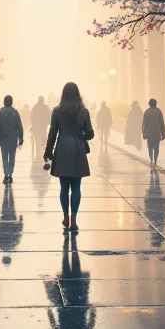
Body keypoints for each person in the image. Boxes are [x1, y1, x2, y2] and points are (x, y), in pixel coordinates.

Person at [43, 81, 95, 233]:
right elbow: (90, 134)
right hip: (78, 150)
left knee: (64, 188)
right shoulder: (83, 111)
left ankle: (65, 215)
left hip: (62, 150)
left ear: (63, 94)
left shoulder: (57, 111)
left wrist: (48, 153)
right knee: (77, 187)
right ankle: (74, 218)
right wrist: (84, 134)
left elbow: (52, 133)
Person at [0, 94, 24, 183]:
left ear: (4, 102)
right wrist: (21, 139)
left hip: (3, 139)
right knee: (12, 157)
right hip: (13, 139)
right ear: (11, 102)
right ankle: (10, 175)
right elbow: (20, 127)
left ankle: (6, 175)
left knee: (4, 157)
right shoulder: (15, 112)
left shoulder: (0, 112)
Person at [142, 98, 165, 166]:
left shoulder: (147, 112)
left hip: (149, 133)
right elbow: (162, 124)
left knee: (150, 147)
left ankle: (151, 159)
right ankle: (155, 160)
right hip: (157, 133)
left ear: (149, 104)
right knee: (156, 148)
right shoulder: (158, 111)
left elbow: (144, 124)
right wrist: (164, 134)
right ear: (155, 104)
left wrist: (144, 133)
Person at [30, 96, 51, 160]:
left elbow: (32, 117)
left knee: (37, 138)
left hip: (37, 125)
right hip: (44, 124)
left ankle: (38, 150)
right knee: (44, 136)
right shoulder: (46, 107)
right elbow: (49, 115)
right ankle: (43, 147)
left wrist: (32, 125)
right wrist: (50, 122)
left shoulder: (35, 107)